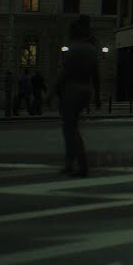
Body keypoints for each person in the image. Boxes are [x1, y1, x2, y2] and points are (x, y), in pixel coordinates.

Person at [57, 15, 99, 178]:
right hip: (86, 89)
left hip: (72, 90)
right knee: (71, 126)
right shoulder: (92, 50)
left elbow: (65, 73)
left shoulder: (73, 49)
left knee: (70, 128)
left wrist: (52, 92)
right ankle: (70, 162)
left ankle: (81, 164)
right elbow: (96, 75)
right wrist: (97, 96)